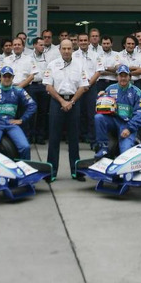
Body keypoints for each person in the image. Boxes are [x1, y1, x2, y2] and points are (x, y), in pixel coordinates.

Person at [44, 39, 89, 181]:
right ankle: (51, 172)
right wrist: (63, 101)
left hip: (74, 102)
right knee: (54, 138)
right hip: (57, 102)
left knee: (74, 138)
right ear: (59, 50)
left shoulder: (80, 64)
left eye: (69, 48)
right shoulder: (52, 65)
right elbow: (48, 86)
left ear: (72, 49)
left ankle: (76, 172)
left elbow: (83, 86)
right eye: (64, 48)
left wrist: (72, 101)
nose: (66, 51)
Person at [94, 65, 141, 158]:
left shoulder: (137, 92)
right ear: (117, 77)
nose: (123, 78)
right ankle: (103, 147)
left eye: (125, 76)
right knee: (98, 117)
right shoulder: (110, 89)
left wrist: (129, 128)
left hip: (128, 125)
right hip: (114, 121)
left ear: (130, 77)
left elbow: (140, 114)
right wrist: (100, 97)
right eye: (120, 76)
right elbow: (102, 108)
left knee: (125, 154)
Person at [72, 32, 103, 144]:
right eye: (81, 40)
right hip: (78, 87)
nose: (83, 42)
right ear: (78, 42)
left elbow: (99, 71)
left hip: (92, 86)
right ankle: (79, 136)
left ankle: (91, 138)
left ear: (89, 41)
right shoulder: (73, 55)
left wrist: (88, 84)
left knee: (92, 113)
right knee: (78, 113)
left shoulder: (96, 55)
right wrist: (82, 84)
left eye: (85, 40)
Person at [28, 37, 50, 144]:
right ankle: (31, 135)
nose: (43, 47)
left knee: (43, 112)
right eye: (41, 45)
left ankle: (40, 136)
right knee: (32, 111)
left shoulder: (47, 58)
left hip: (43, 86)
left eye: (44, 45)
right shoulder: (28, 57)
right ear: (35, 45)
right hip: (32, 86)